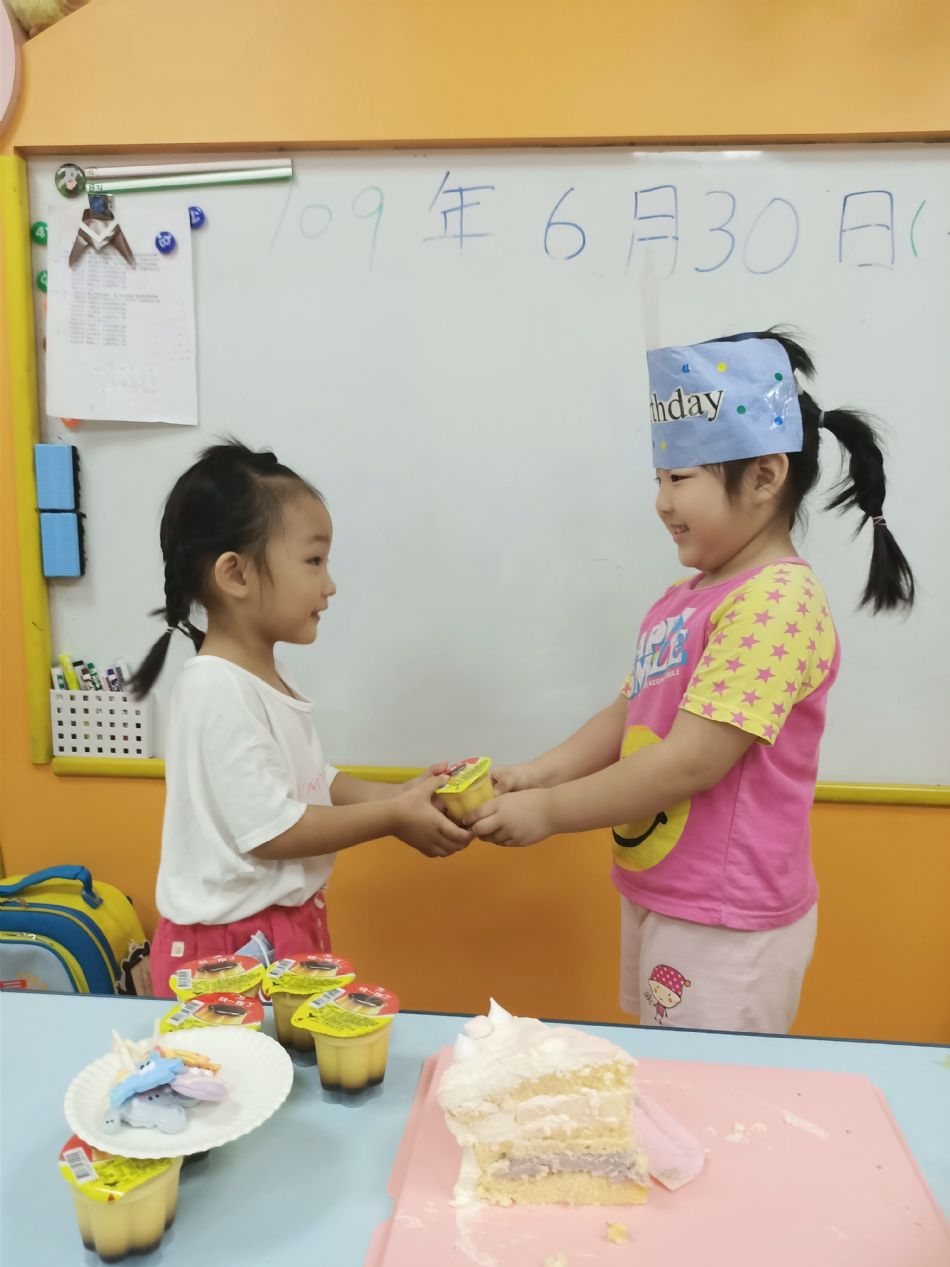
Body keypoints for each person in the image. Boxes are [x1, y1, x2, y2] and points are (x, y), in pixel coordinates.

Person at [467, 330, 914, 1033]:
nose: (661, 501)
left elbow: (692, 761)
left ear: (764, 477)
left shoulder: (776, 600)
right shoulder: (685, 598)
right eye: (659, 479)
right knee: (668, 1070)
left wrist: (550, 813)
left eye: (679, 479)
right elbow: (627, 711)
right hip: (667, 890)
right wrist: (537, 776)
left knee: (708, 1084)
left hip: (725, 917)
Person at [131, 441, 469, 997]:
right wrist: (392, 817)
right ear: (235, 574)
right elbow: (277, 829)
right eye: (314, 561)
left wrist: (399, 795)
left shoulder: (264, 676)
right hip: (228, 952)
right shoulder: (216, 688)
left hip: (280, 928)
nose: (329, 584)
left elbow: (313, 781)